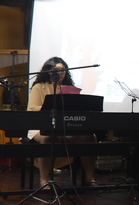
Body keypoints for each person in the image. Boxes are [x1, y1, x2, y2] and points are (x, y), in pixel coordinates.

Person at [27, 56, 97, 187]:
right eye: (57, 69)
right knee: (49, 137)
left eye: (63, 70)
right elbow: (33, 108)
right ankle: (44, 180)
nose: (61, 72)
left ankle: (90, 178)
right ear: (49, 71)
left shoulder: (70, 88)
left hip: (65, 128)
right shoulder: (39, 87)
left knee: (89, 137)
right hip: (41, 128)